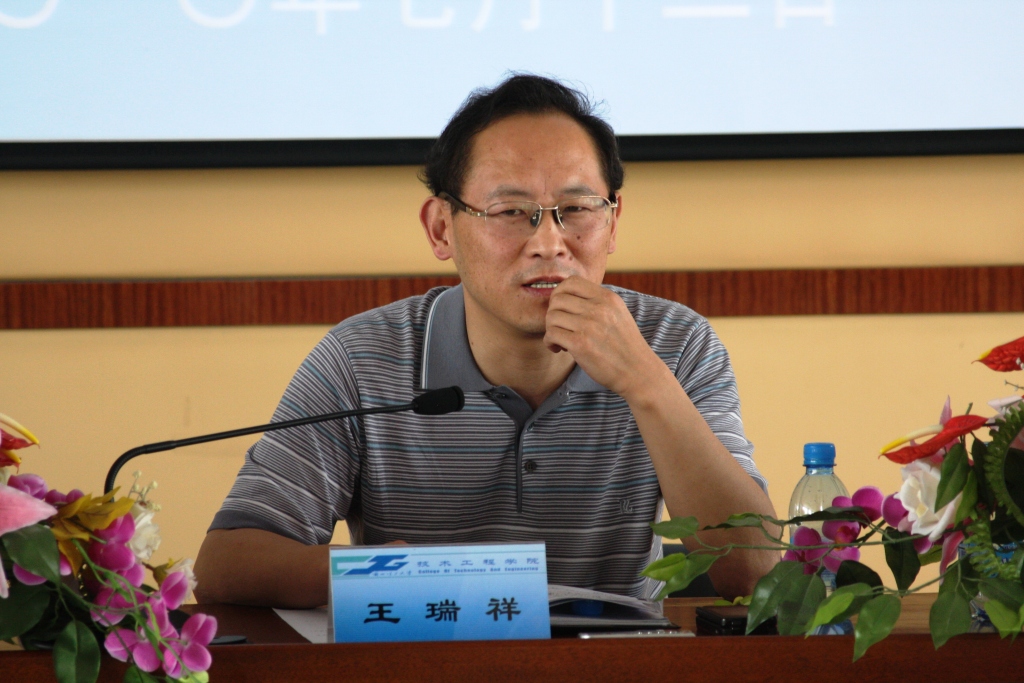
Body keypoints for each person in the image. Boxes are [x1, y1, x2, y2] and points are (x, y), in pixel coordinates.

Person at [194, 75, 778, 608]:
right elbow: (225, 566)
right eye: (511, 211)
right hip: (428, 663)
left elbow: (754, 572)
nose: (549, 243)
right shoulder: (361, 360)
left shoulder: (677, 344)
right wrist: (388, 574)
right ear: (441, 228)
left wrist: (645, 382)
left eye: (576, 209)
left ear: (613, 222)